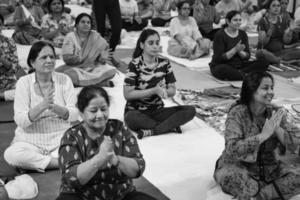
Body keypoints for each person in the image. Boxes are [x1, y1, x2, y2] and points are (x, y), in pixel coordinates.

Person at [56, 85, 157, 200]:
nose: (100, 115)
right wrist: (99, 158)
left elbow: (138, 167)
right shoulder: (72, 136)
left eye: (103, 109)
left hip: (120, 195)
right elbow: (71, 178)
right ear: (81, 113)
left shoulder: (119, 129)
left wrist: (115, 159)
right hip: (82, 196)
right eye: (93, 111)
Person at [214, 71, 300, 199]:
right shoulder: (237, 113)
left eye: (272, 88)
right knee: (237, 180)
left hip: (269, 168)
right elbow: (232, 148)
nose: (271, 92)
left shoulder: (275, 112)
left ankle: (262, 195)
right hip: (239, 166)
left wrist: (277, 129)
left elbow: (295, 145)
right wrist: (262, 136)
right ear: (252, 90)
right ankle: (266, 191)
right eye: (265, 88)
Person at [4, 41, 78, 172]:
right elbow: (21, 120)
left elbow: (74, 115)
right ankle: (59, 163)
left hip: (59, 137)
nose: (49, 60)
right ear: (32, 63)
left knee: (82, 147)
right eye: (44, 57)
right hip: (31, 139)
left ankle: (41, 162)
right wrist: (42, 106)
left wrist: (55, 107)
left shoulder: (65, 80)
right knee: (11, 154)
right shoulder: (24, 83)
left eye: (52, 57)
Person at [123, 29, 196, 139]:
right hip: (137, 112)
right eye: (151, 43)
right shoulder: (134, 64)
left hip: (158, 111)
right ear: (142, 45)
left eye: (157, 43)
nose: (155, 46)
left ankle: (153, 131)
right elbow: (128, 94)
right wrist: (154, 90)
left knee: (190, 110)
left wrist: (165, 92)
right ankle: (169, 126)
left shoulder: (164, 63)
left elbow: (172, 89)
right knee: (131, 118)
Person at [57, 13, 116, 87]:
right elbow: (67, 59)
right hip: (76, 68)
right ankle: (99, 83)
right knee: (69, 75)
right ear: (77, 24)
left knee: (111, 71)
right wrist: (81, 58)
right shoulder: (70, 37)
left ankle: (83, 83)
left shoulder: (95, 36)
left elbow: (101, 58)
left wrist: (102, 59)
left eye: (88, 22)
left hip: (93, 68)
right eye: (83, 22)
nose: (86, 24)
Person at [210, 10, 269, 81]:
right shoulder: (220, 35)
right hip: (223, 65)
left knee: (264, 62)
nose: (238, 22)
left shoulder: (242, 34)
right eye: (235, 20)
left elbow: (247, 56)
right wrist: (234, 50)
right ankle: (248, 75)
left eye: (240, 20)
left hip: (239, 65)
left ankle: (241, 74)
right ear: (228, 21)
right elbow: (219, 58)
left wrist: (240, 52)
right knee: (223, 70)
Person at [0, 14, 24, 101]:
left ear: (2, 26)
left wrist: (2, 58)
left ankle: (2, 96)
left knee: (25, 90)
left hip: (8, 82)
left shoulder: (9, 42)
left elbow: (14, 68)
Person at [92, 0, 122, 67]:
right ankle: (101, 56)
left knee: (117, 29)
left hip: (113, 2)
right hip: (99, 2)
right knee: (100, 30)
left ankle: (110, 55)